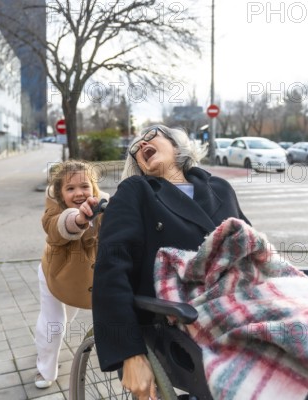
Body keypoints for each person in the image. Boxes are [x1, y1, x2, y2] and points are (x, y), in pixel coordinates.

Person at [92, 125, 251, 399]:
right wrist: (130, 353)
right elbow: (111, 269)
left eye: (151, 135)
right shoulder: (136, 192)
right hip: (178, 322)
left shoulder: (220, 189)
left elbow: (251, 246)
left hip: (245, 304)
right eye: (136, 148)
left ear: (177, 145)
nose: (141, 144)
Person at [34, 160, 109, 389]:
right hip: (54, 276)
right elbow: (56, 227)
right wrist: (79, 219)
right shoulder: (53, 210)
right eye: (70, 188)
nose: (79, 193)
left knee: (68, 316)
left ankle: (42, 343)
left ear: (93, 187)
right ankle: (46, 369)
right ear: (59, 193)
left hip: (82, 279)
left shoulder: (105, 203)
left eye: (84, 186)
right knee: (54, 323)